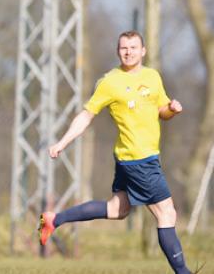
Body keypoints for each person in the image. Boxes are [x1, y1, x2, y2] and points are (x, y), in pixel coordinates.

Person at [39, 31, 193, 274]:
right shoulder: (110, 82)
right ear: (118, 51)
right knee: (166, 213)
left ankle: (54, 219)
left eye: (133, 47)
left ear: (143, 51)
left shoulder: (153, 76)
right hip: (137, 159)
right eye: (123, 48)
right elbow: (86, 115)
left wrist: (172, 109)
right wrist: (62, 142)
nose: (128, 51)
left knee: (117, 210)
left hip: (136, 157)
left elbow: (161, 110)